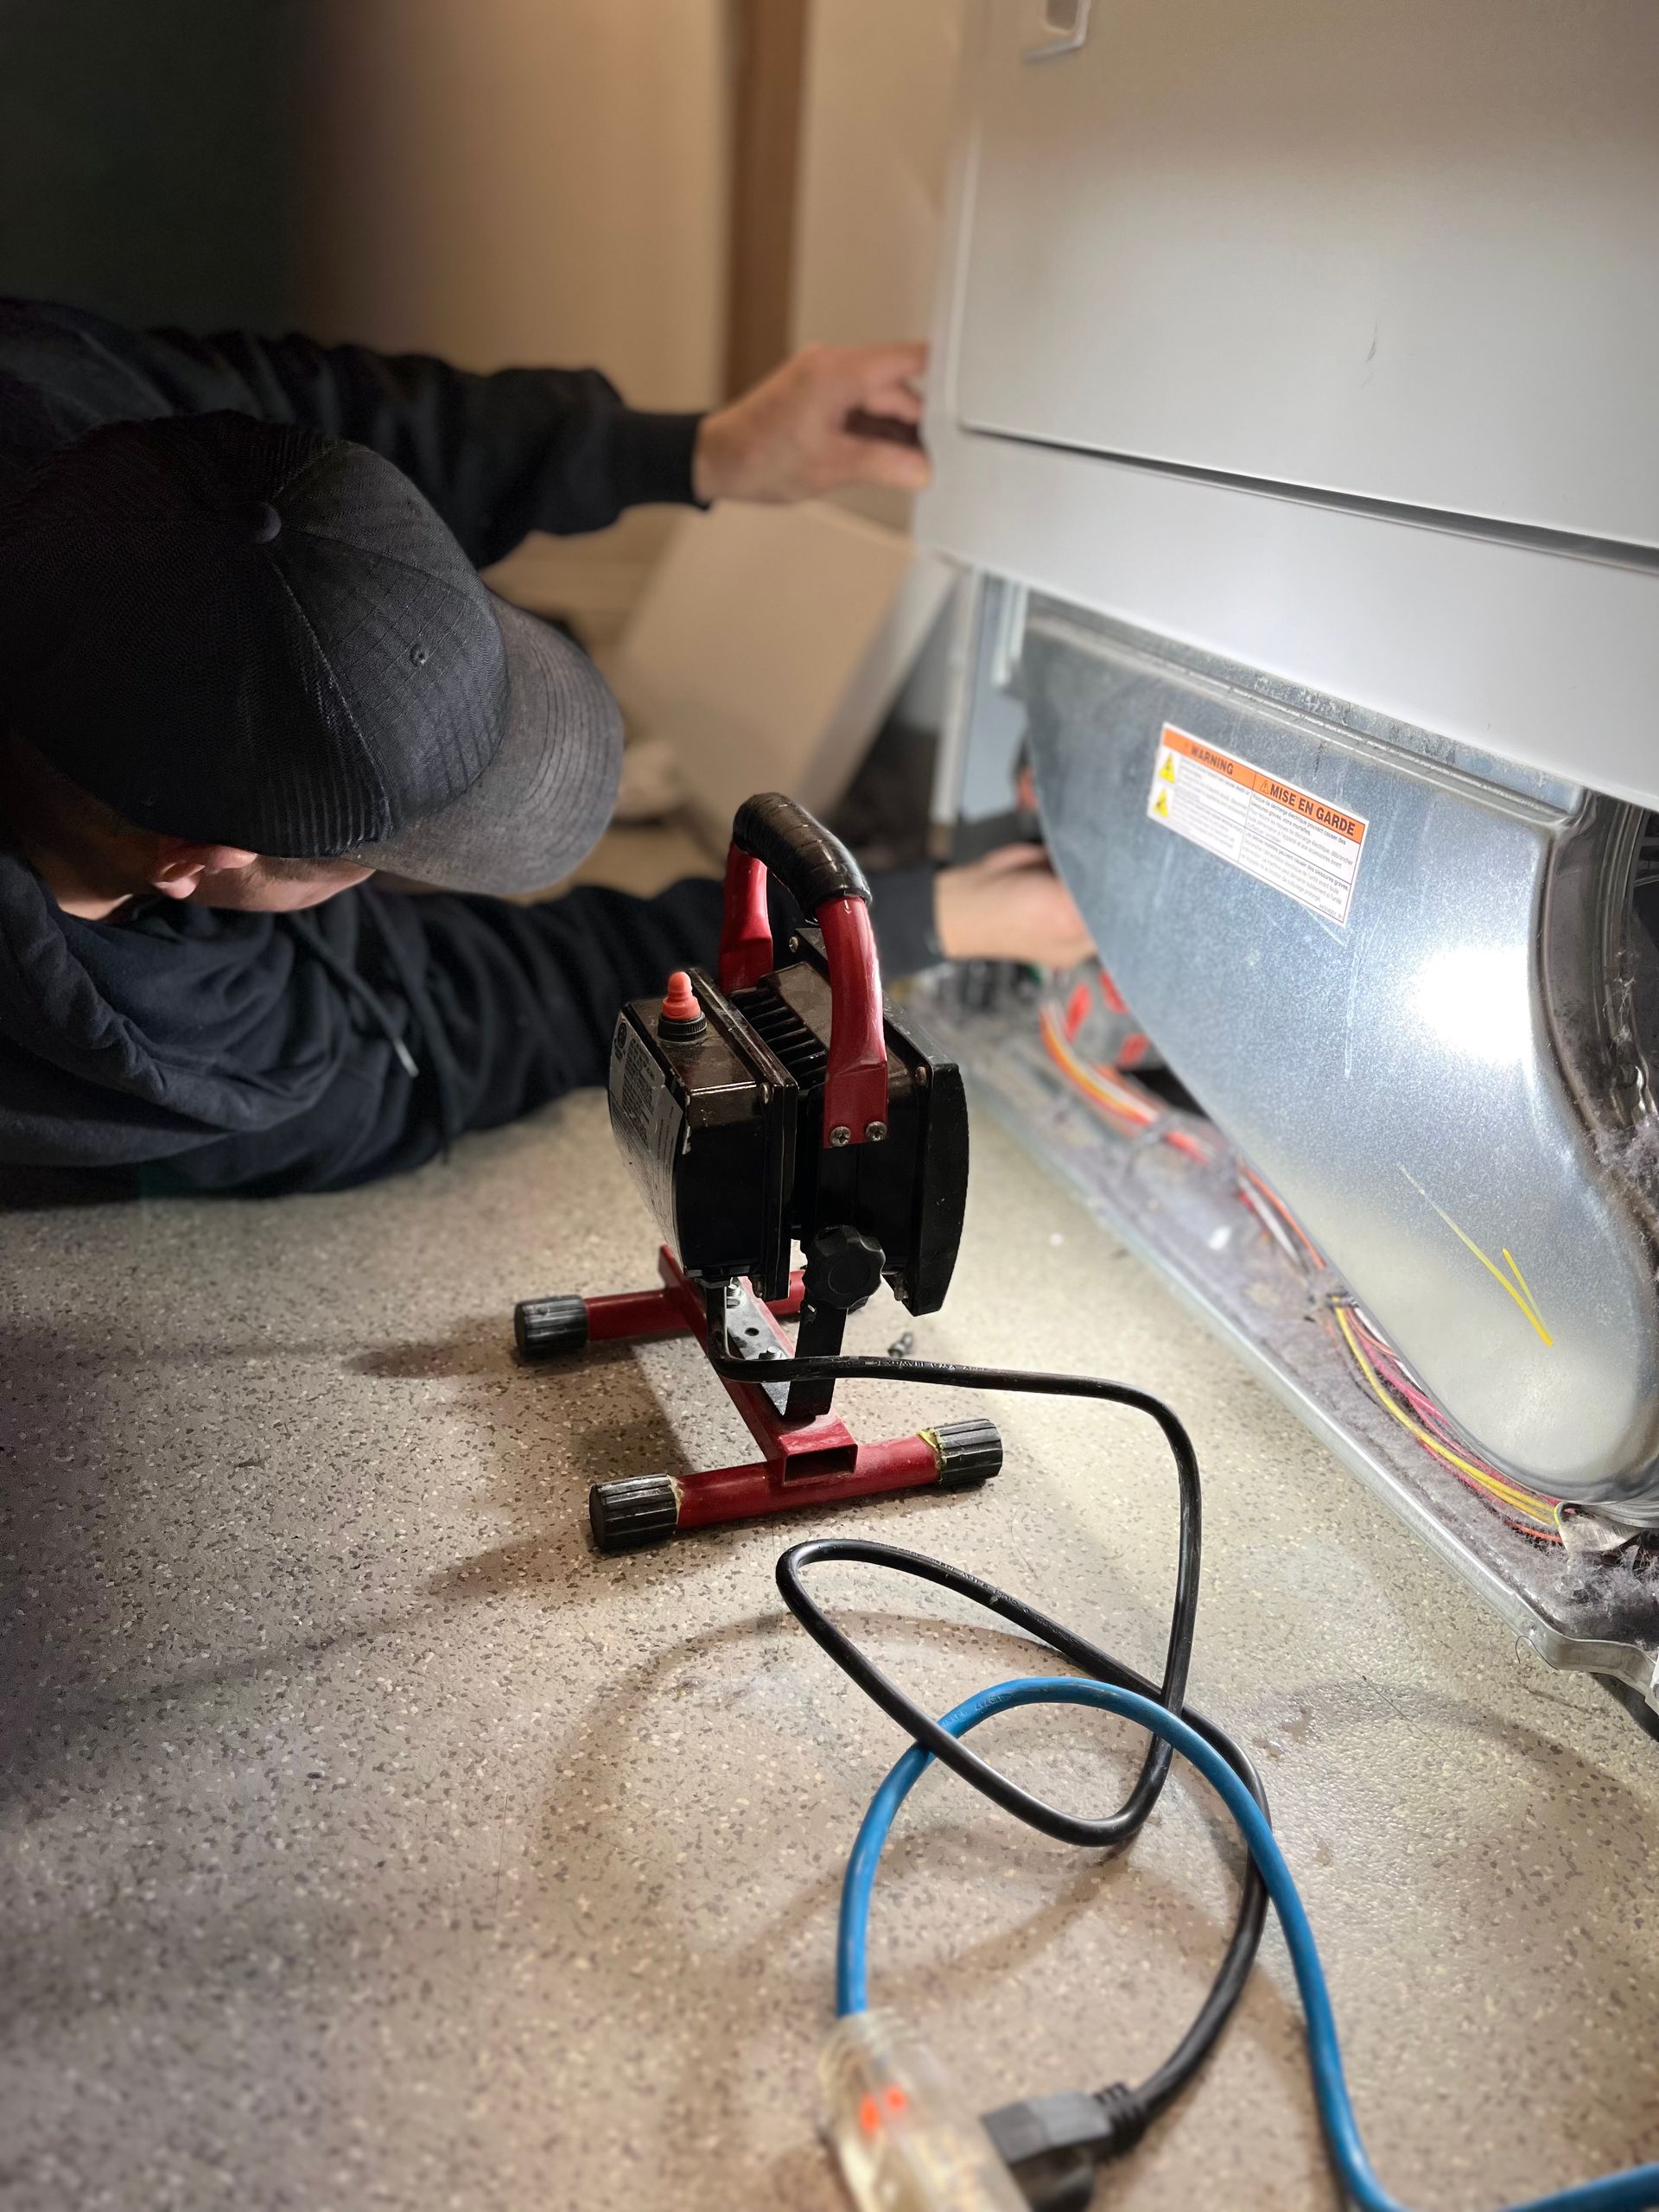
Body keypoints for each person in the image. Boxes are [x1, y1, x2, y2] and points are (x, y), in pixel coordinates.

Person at [0, 297, 1090, 1194]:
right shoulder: (169, 1066)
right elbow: (478, 1013)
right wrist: (900, 927)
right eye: (387, 847)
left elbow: (316, 426)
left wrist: (693, 450)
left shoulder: (58, 405)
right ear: (196, 863)